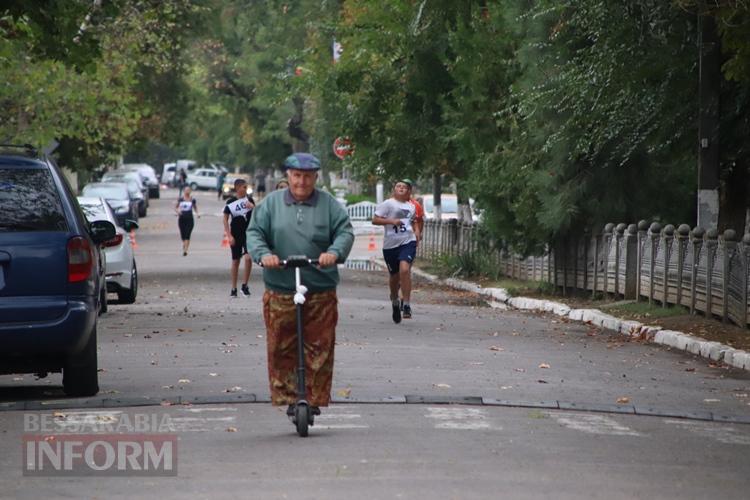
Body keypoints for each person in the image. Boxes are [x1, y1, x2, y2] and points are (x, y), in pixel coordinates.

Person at [247, 152, 354, 419]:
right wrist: (264, 255)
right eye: (297, 176)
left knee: (319, 346)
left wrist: (334, 252)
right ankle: (288, 396)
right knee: (280, 345)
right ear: (288, 176)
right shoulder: (270, 205)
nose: (302, 182)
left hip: (319, 287)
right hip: (281, 287)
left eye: (308, 177)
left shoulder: (329, 206)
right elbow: (254, 232)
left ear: (315, 177)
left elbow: (345, 232)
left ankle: (314, 398)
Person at [372, 179, 421, 323]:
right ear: (394, 189)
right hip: (390, 245)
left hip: (408, 241)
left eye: (404, 187)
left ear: (408, 192)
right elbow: (375, 220)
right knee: (394, 277)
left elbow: (414, 221)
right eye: (398, 186)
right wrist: (391, 221)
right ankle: (394, 299)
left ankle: (406, 304)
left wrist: (417, 232)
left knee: (404, 270)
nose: (401, 188)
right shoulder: (388, 204)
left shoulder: (411, 206)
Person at [223, 178, 255, 298]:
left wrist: (252, 206)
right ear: (237, 188)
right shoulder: (230, 202)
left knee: (248, 258)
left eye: (247, 188)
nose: (246, 190)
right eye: (244, 187)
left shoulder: (250, 200)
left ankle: (245, 285)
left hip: (248, 234)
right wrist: (229, 236)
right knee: (236, 260)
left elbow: (259, 215)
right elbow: (225, 219)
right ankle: (233, 288)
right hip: (235, 234)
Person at [175, 186, 199, 256]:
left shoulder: (192, 199)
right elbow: (175, 207)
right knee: (183, 235)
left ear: (190, 191)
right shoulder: (181, 199)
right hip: (182, 219)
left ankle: (185, 250)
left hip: (190, 219)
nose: (187, 191)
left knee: (187, 234)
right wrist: (178, 212)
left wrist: (197, 214)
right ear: (184, 191)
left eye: (189, 190)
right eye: (186, 190)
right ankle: (184, 244)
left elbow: (195, 207)